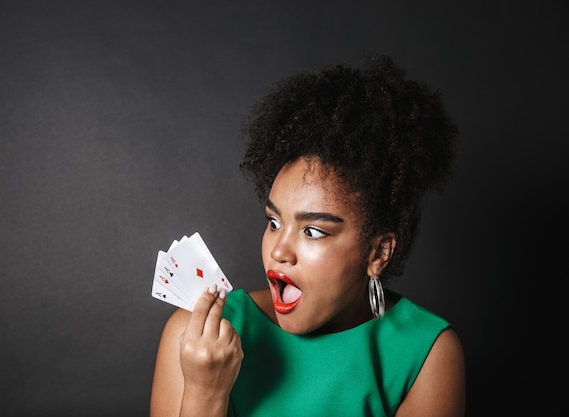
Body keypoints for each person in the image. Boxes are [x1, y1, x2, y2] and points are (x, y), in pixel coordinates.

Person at [149, 54, 466, 417]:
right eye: (274, 222)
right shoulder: (193, 338)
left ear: (378, 252)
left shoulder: (427, 352)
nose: (279, 250)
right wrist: (205, 395)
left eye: (313, 231)